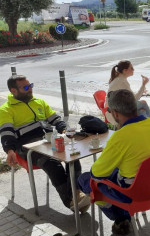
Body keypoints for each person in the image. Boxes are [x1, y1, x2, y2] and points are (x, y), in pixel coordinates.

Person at [78, 89, 150, 235]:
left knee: (85, 179)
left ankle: (121, 217)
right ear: (135, 105)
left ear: (115, 113)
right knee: (116, 171)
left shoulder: (120, 137)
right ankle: (123, 216)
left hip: (134, 193)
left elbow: (97, 173)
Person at [0, 75, 90, 213]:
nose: (30, 89)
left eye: (30, 85)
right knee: (52, 164)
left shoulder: (39, 102)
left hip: (48, 141)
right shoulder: (6, 109)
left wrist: (65, 130)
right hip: (27, 147)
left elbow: (56, 120)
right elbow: (6, 133)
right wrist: (9, 151)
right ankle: (71, 200)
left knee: (74, 155)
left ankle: (76, 195)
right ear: (13, 90)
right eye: (25, 87)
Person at [105, 60, 150, 126]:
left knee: (142, 111)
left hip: (115, 107)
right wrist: (143, 84)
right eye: (131, 68)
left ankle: (147, 126)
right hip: (118, 109)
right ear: (125, 71)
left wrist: (142, 89)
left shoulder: (119, 79)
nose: (133, 69)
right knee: (143, 103)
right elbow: (134, 100)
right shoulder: (122, 82)